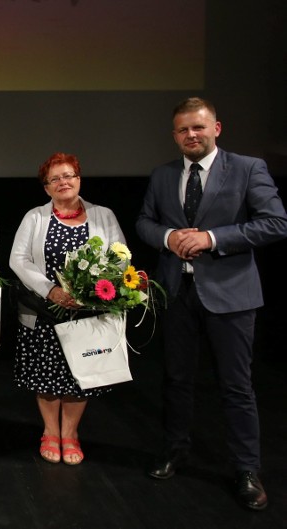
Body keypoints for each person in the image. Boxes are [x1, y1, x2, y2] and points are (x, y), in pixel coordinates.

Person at [136, 97, 287, 511]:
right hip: (177, 294)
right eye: (184, 130)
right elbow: (145, 222)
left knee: (237, 387)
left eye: (199, 128)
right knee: (176, 380)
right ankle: (175, 449)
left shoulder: (247, 168)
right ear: (174, 135)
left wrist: (211, 239)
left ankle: (246, 469)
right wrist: (169, 238)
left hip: (232, 296)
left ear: (216, 128)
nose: (191, 135)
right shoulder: (163, 174)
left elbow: (275, 222)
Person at [9, 153, 125, 465]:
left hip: (89, 311)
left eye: (69, 175)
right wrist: (52, 291)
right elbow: (18, 259)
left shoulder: (104, 215)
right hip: (47, 310)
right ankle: (50, 431)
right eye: (55, 179)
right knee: (46, 376)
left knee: (80, 375)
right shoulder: (35, 217)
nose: (63, 182)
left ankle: (70, 433)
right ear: (46, 188)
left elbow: (120, 256)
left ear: (79, 179)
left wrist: (93, 291)